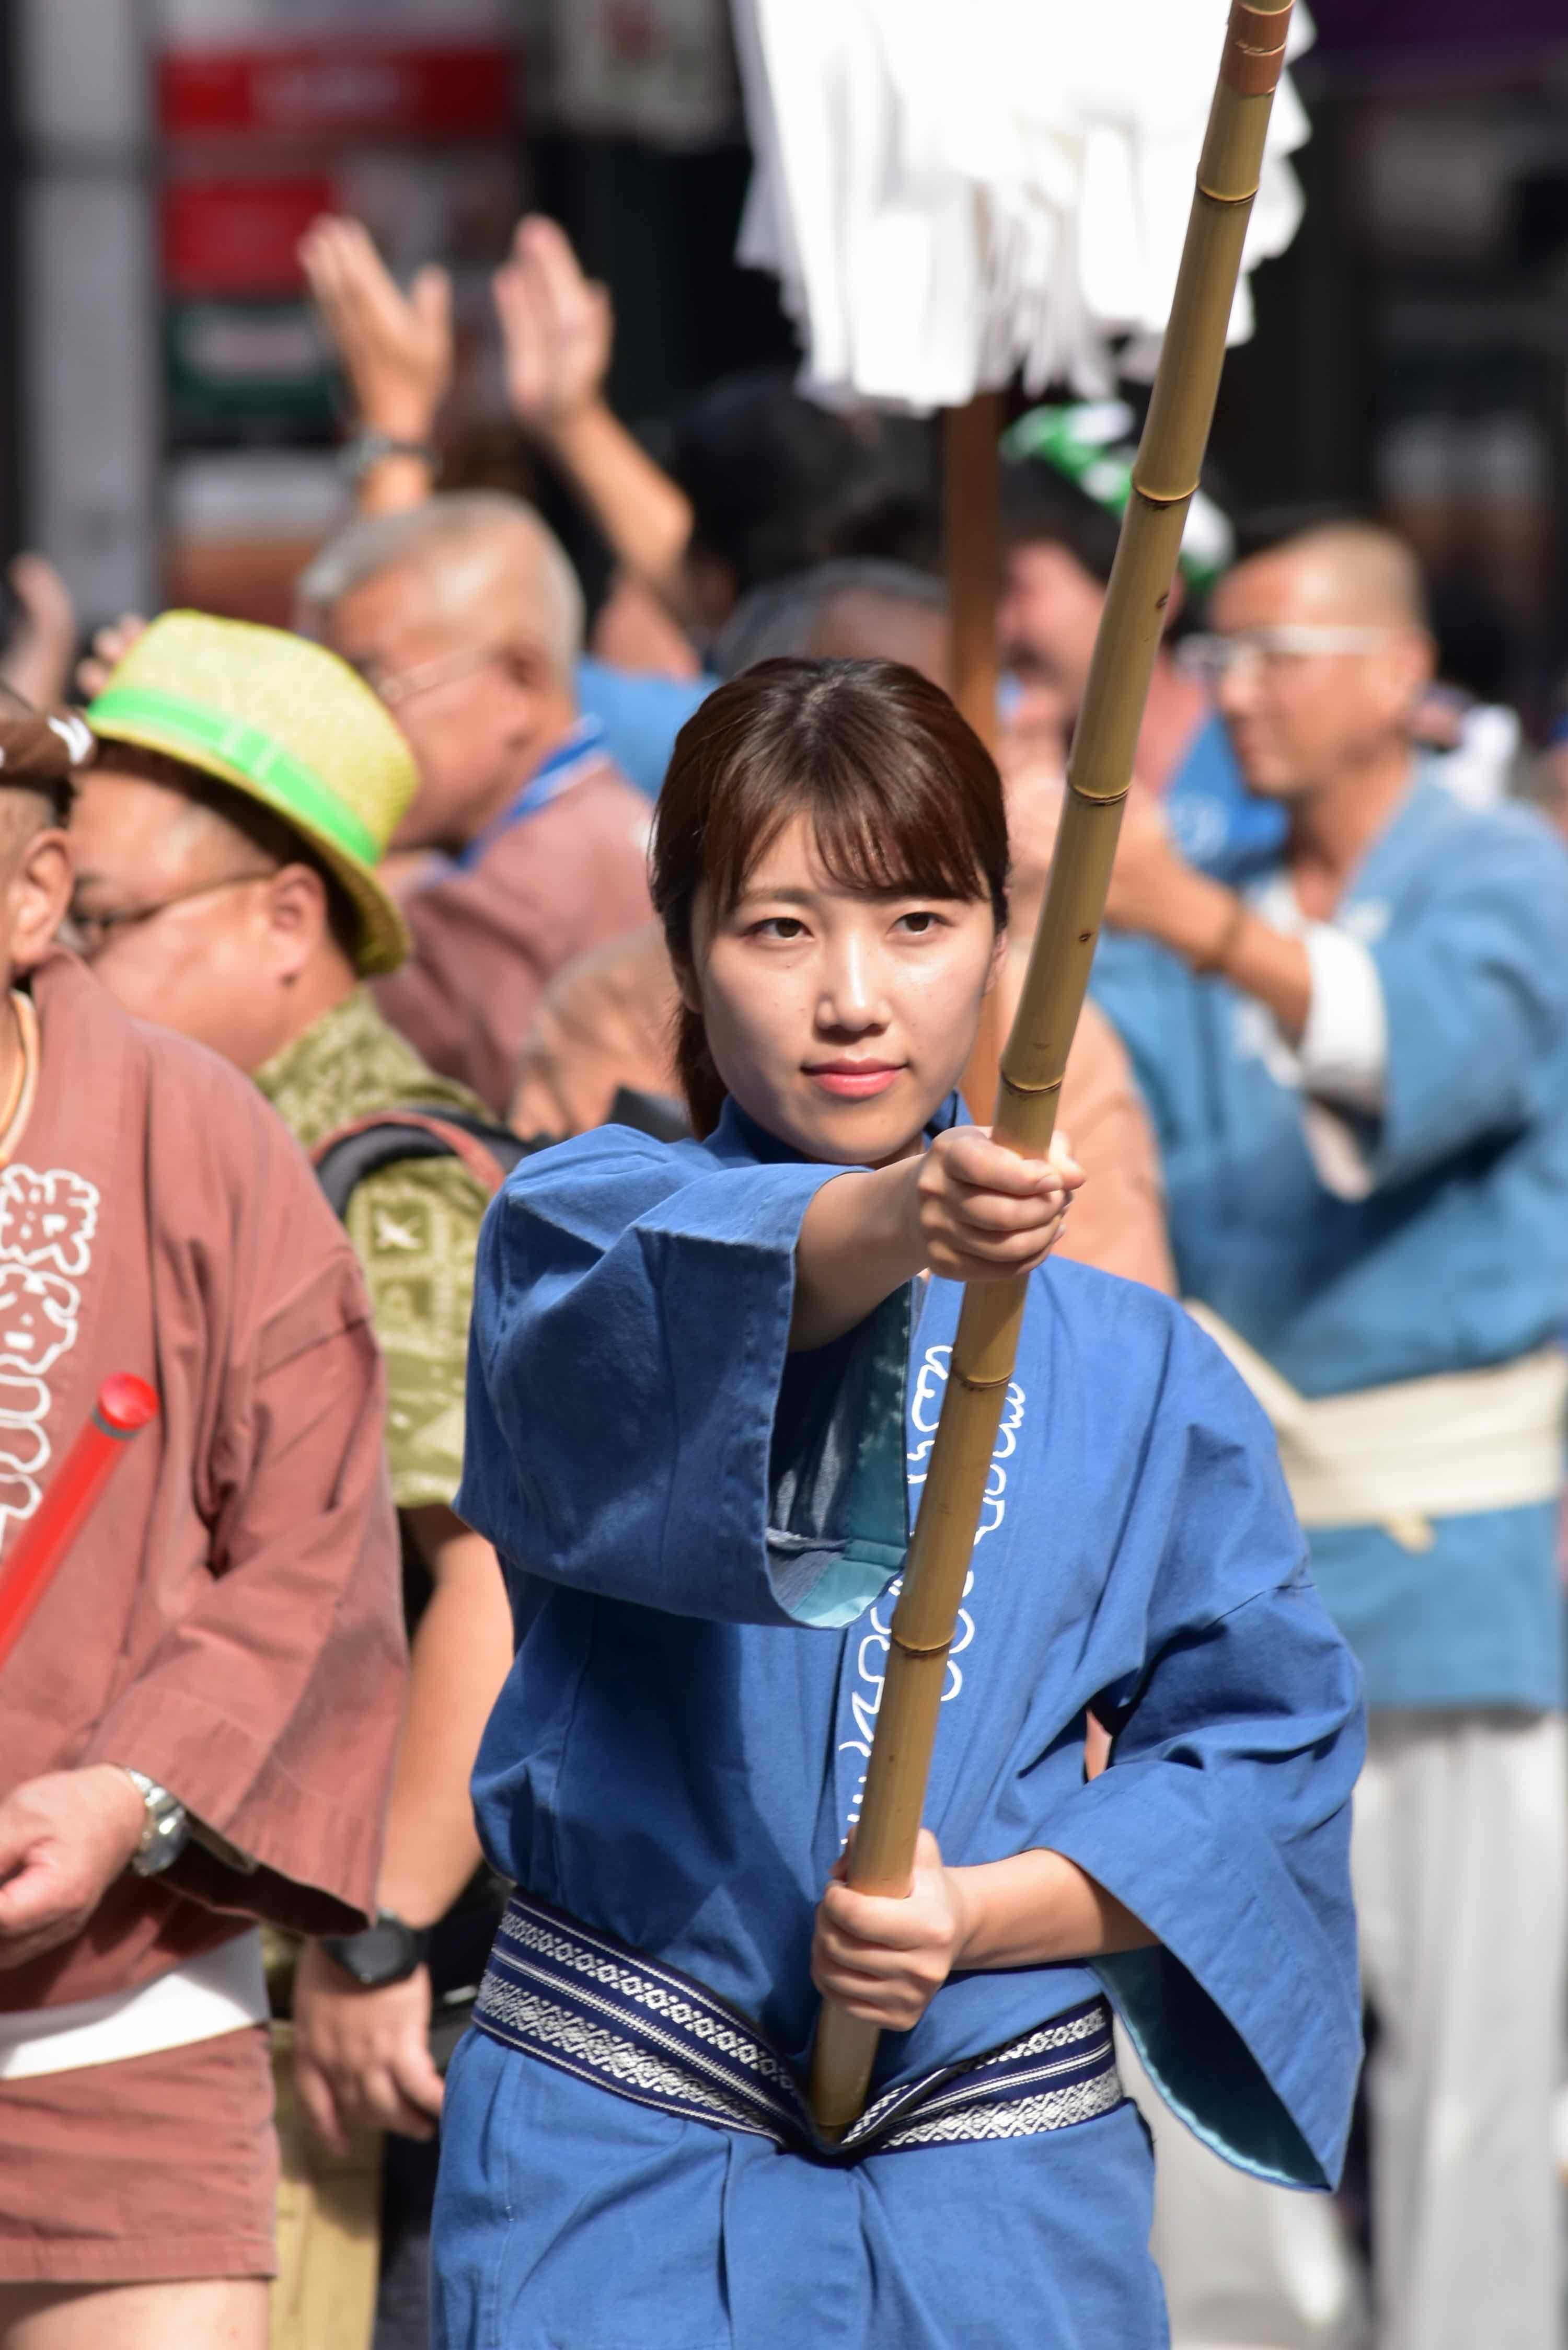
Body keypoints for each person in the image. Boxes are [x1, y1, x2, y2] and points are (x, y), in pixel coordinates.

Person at [432, 656, 1364, 2350]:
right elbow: (651, 1322)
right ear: (684, 950)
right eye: (781, 929)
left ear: (1003, 944)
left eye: (920, 921)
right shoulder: (572, 1228)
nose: (854, 996)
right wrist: (893, 1219)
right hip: (616, 2161)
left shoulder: (1145, 1362)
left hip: (998, 2204)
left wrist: (977, 1913)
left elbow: (1264, 1753)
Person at [1090, 522, 1568, 2350]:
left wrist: (1205, 928)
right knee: (1224, 2001)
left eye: (1281, 652)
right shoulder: (1190, 873)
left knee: (1476, 2050)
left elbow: (1451, 1056)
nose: (1239, 693)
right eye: (1221, 657)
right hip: (1240, 1542)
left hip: (1460, 1538)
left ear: (1393, 671)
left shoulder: (1502, 869)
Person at [71, 610, 518, 2350]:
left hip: (311, 2017)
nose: (58, 955)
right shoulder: (169, 1143)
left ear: (286, 915)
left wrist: (376, 1936)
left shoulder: (378, 1180)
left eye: (102, 916)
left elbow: (485, 1575)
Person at [0, 689, 406, 2348]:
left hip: (122, 1994)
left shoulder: (201, 1138)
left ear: (33, 895)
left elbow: (317, 1542)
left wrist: (133, 1788)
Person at [293, 493, 654, 1113]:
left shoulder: (509, 900)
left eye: (371, 684)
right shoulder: (628, 818)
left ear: (520, 681)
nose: (339, 727)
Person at [998, 402, 1282, 884]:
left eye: (1016, 589)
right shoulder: (986, 751)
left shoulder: (1270, 767)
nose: (999, 628)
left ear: (1152, 592)